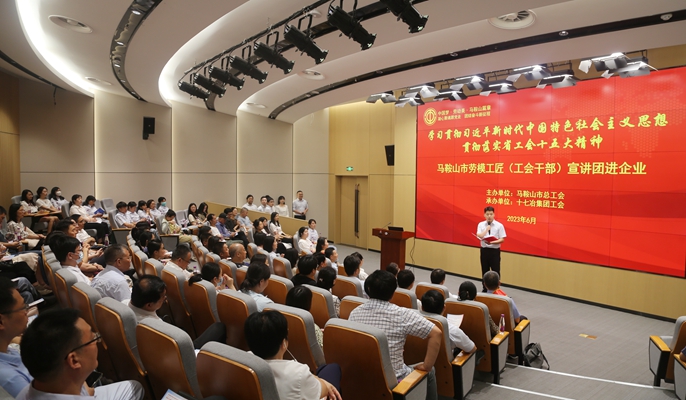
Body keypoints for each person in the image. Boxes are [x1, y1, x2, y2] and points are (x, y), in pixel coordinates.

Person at [349, 270, 440, 400]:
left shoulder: (354, 313)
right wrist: (426, 366)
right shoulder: (402, 314)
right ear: (393, 292)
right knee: (430, 371)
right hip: (394, 382)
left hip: (364, 376)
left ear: (368, 288)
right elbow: (436, 333)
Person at [16, 308, 144, 399]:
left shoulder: (41, 384)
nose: (97, 341)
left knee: (134, 387)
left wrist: (82, 387)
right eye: (93, 339)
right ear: (74, 360)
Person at [244, 310, 342, 400]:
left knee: (324, 369)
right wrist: (321, 381)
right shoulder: (298, 372)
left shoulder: (244, 362)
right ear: (283, 343)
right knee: (333, 369)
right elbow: (326, 389)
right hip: (310, 387)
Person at [128, 275, 226, 349]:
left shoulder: (125, 305)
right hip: (181, 352)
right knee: (219, 327)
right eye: (162, 298)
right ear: (149, 305)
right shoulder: (154, 326)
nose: (165, 299)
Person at [0, 277, 35, 397]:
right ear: (1, 321)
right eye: (23, 307)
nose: (26, 312)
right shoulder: (11, 380)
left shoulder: (8, 349)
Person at [421, 290, 476, 356]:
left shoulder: (414, 322)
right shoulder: (453, 330)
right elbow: (472, 349)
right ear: (444, 308)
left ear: (422, 308)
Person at [476, 206, 506, 289]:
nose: (489, 216)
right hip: (484, 250)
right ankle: (485, 288)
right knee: (484, 270)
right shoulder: (481, 224)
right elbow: (479, 235)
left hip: (494, 251)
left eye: (491, 214)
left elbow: (502, 239)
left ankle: (496, 289)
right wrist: (486, 230)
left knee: (496, 271)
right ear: (484, 215)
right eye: (487, 214)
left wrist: (492, 242)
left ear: (494, 214)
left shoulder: (499, 225)